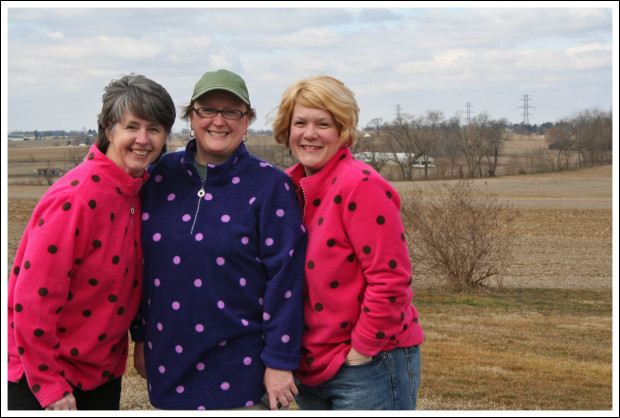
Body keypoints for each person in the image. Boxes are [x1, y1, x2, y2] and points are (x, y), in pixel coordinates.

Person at [132, 69, 307, 410]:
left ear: (247, 121)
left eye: (232, 112)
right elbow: (144, 269)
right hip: (169, 365)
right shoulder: (157, 177)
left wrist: (280, 361)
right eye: (207, 110)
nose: (219, 121)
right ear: (191, 118)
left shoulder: (270, 186)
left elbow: (286, 282)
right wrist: (140, 338)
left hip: (242, 370)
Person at [7, 74, 176, 410]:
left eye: (154, 129)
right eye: (132, 127)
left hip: (101, 373)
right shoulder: (76, 199)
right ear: (109, 129)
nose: (143, 139)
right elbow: (32, 301)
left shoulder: (135, 191)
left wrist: (140, 339)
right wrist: (50, 384)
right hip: (46, 379)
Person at [271, 75, 424, 410]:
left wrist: (362, 351)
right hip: (311, 367)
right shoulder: (285, 189)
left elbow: (391, 278)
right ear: (287, 129)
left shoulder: (360, 185)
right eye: (300, 123)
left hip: (367, 365)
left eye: (323, 123)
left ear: (342, 131)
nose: (309, 134)